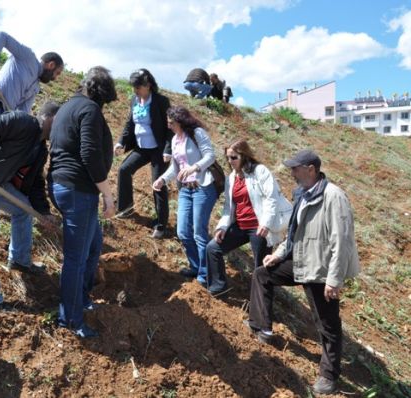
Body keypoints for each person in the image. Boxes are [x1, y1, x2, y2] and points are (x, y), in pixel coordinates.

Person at [244, 149, 360, 395]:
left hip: (321, 270)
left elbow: (342, 242)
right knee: (262, 274)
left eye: (295, 168)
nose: (292, 173)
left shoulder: (333, 196)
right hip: (300, 261)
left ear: (311, 169)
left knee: (327, 325)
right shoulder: (303, 194)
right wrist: (277, 255)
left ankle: (328, 376)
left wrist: (334, 279)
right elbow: (294, 233)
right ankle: (261, 327)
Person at [48, 66, 117, 338]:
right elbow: (89, 154)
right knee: (76, 259)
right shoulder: (89, 109)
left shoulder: (68, 106)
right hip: (78, 191)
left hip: (64, 186)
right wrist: (108, 195)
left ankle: (82, 297)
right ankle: (71, 319)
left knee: (93, 246)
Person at [0, 102, 60, 309]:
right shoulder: (21, 121)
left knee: (22, 209)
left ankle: (20, 260)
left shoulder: (40, 150)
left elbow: (36, 183)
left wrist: (44, 212)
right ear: (49, 117)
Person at [205, 139, 292, 294]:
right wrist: (223, 226)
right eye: (228, 158)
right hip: (240, 225)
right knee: (212, 248)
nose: (230, 161)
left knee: (261, 267)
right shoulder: (231, 178)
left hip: (259, 227)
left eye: (234, 157)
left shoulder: (260, 171)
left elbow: (271, 199)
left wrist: (265, 224)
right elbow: (228, 207)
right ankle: (218, 287)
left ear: (244, 156)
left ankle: (260, 309)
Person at [153, 106, 219, 285]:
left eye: (171, 123)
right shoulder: (175, 139)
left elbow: (210, 156)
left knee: (199, 232)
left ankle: (205, 275)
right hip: (185, 189)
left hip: (203, 187)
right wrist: (162, 180)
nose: (169, 126)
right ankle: (196, 266)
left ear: (180, 122)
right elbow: (175, 168)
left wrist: (194, 167)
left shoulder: (197, 133)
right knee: (182, 231)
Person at [114, 68, 172, 238]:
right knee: (124, 170)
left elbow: (170, 128)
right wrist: (121, 142)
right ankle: (125, 208)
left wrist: (168, 149)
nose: (135, 91)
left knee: (158, 183)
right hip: (141, 148)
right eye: (134, 87)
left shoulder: (161, 101)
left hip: (158, 150)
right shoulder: (135, 100)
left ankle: (161, 225)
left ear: (148, 85)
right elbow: (129, 124)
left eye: (138, 87)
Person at [0, 31, 64, 123]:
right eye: (57, 73)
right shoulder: (28, 56)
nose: (55, 78)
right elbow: (2, 36)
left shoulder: (35, 88)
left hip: (4, 119)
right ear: (51, 65)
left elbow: (22, 113)